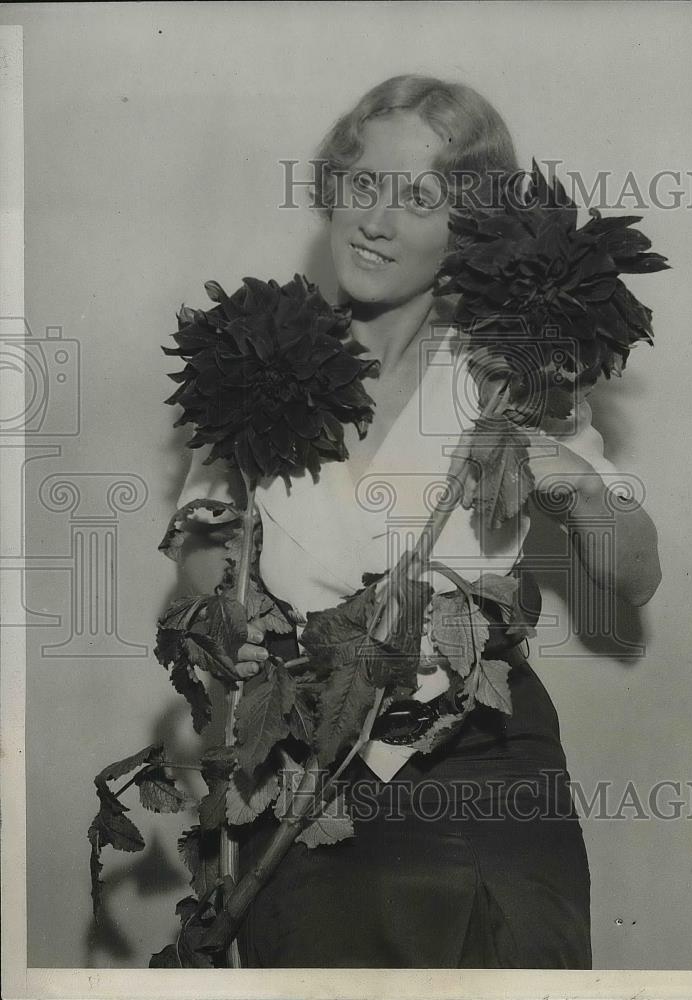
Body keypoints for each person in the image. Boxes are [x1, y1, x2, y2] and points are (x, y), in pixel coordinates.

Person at [161, 75, 662, 969]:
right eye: (359, 186)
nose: (374, 221)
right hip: (303, 774)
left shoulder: (506, 375)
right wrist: (224, 620)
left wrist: (579, 491)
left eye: (419, 198)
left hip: (483, 768)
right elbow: (205, 548)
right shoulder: (264, 356)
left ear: (470, 229)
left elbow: (630, 577)